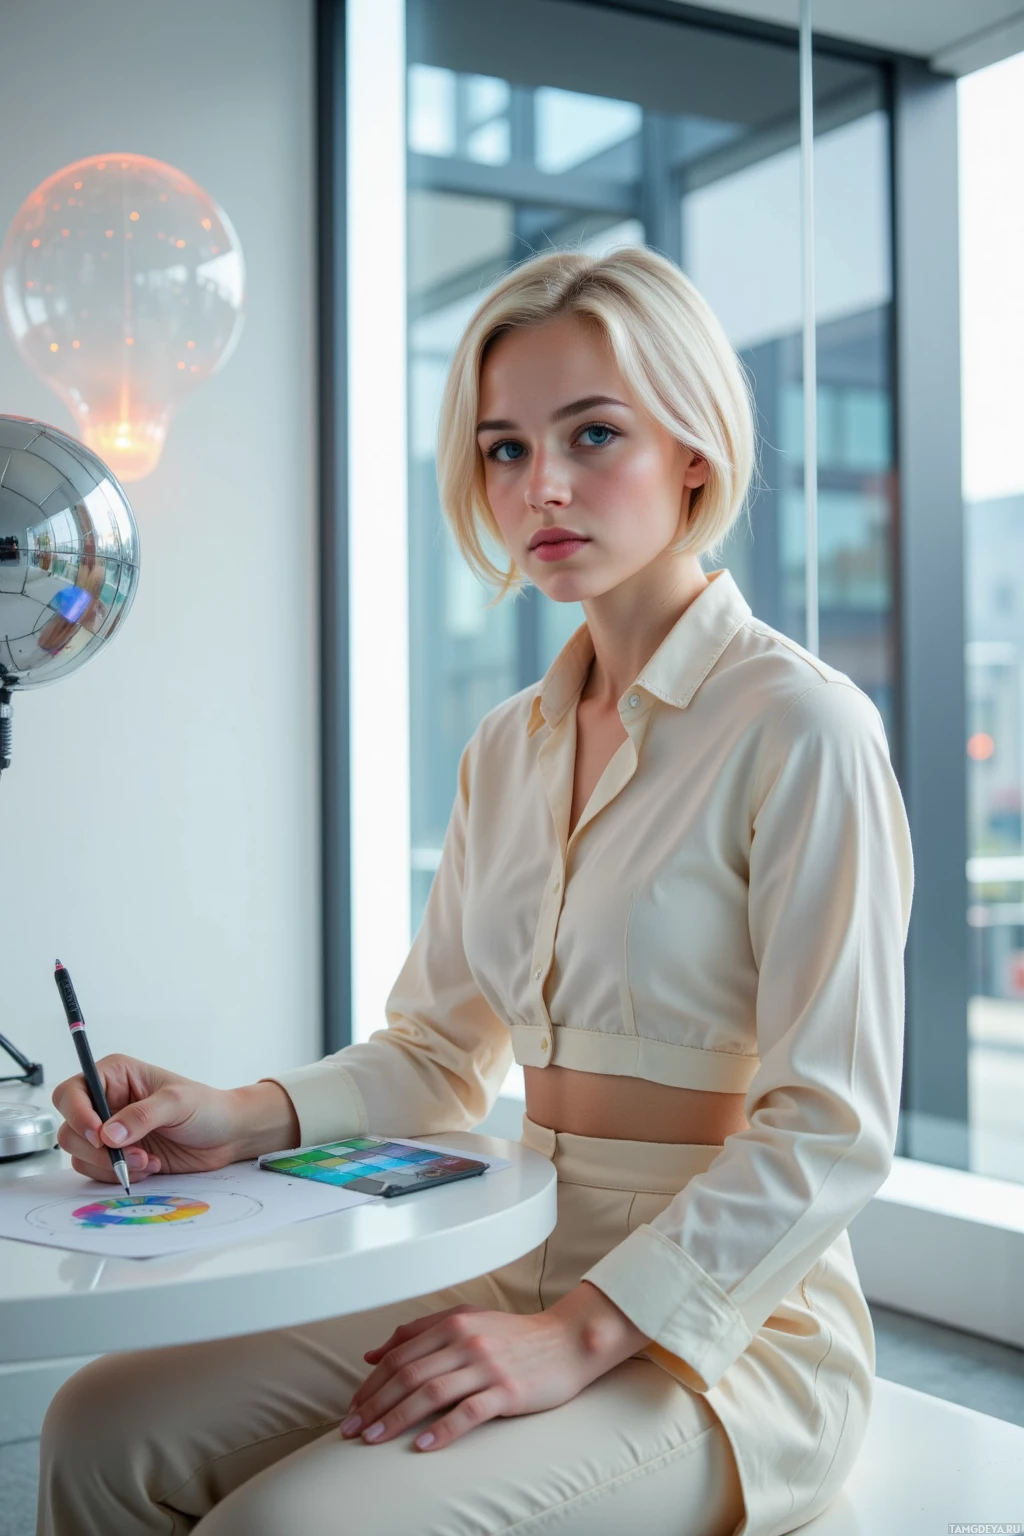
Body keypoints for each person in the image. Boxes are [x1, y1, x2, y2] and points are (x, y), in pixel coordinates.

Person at [38, 244, 914, 1536]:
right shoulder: (509, 746)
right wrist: (232, 1113)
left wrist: (579, 1336)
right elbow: (440, 1054)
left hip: (731, 1332)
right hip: (516, 1259)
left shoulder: (803, 727)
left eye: (592, 434)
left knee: (293, 1529)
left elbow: (831, 1126)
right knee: (100, 1427)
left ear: (695, 454)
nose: (540, 486)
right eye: (505, 449)